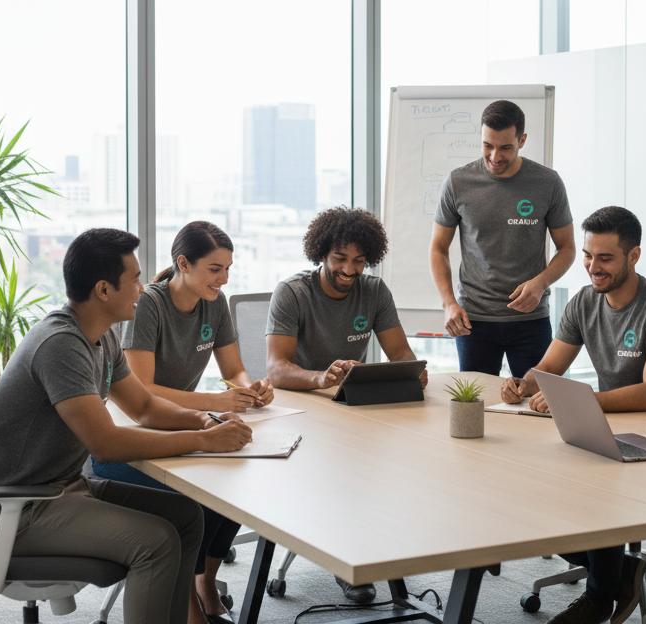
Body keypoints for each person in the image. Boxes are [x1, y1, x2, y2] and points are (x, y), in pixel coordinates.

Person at [0, 228, 252, 624]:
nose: (144, 285)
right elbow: (106, 445)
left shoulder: (101, 337)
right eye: (134, 279)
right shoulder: (62, 345)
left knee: (187, 517)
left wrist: (204, 418)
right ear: (103, 290)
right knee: (156, 542)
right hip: (17, 511)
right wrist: (204, 440)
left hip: (63, 490)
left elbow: (145, 406)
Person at [500, 206, 646, 624]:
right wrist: (522, 383)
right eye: (587, 255)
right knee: (530, 489)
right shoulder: (585, 301)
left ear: (633, 256)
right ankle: (619, 570)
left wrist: (582, 400)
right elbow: (550, 366)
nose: (592, 267)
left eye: (604, 258)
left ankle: (601, 597)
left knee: (592, 488)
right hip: (608, 429)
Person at [90, 221, 273, 624]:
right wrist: (215, 403)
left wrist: (251, 388)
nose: (223, 279)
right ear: (183, 264)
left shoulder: (214, 303)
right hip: (136, 433)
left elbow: (233, 369)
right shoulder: (149, 306)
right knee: (201, 491)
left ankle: (206, 581)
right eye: (215, 269)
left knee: (240, 476)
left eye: (228, 269)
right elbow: (143, 393)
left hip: (182, 422)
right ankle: (190, 600)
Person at [266, 205, 426, 602]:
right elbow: (277, 369)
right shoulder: (293, 293)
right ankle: (348, 562)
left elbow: (400, 353)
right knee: (343, 472)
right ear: (321, 253)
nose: (350, 270)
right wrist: (320, 378)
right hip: (303, 409)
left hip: (355, 405)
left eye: (359, 261)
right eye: (340, 259)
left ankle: (372, 552)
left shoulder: (373, 291)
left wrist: (412, 370)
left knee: (387, 462)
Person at [429, 99, 576, 377]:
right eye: (488, 145)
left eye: (505, 147)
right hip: (473, 322)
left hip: (531, 319)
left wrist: (541, 282)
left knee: (539, 406)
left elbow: (567, 248)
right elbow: (438, 248)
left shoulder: (548, 183)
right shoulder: (457, 183)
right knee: (475, 409)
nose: (495, 156)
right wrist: (449, 302)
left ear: (522, 140)